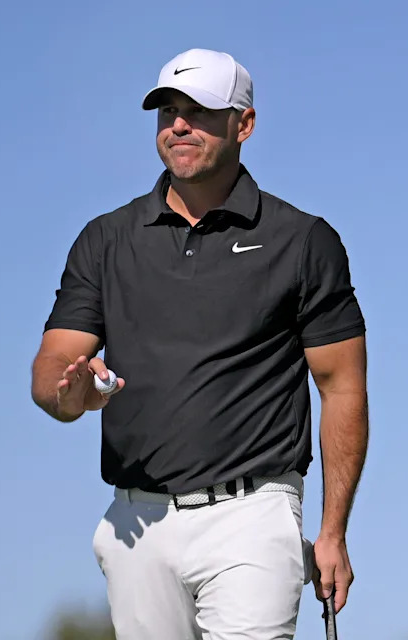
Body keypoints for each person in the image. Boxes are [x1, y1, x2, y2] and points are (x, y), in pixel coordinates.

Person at [31, 47, 369, 640]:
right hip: (138, 521)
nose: (179, 125)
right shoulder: (105, 240)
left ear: (245, 124)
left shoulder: (303, 241)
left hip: (253, 515)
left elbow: (342, 386)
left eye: (201, 111)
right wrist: (73, 395)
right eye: (168, 111)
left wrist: (333, 530)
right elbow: (52, 373)